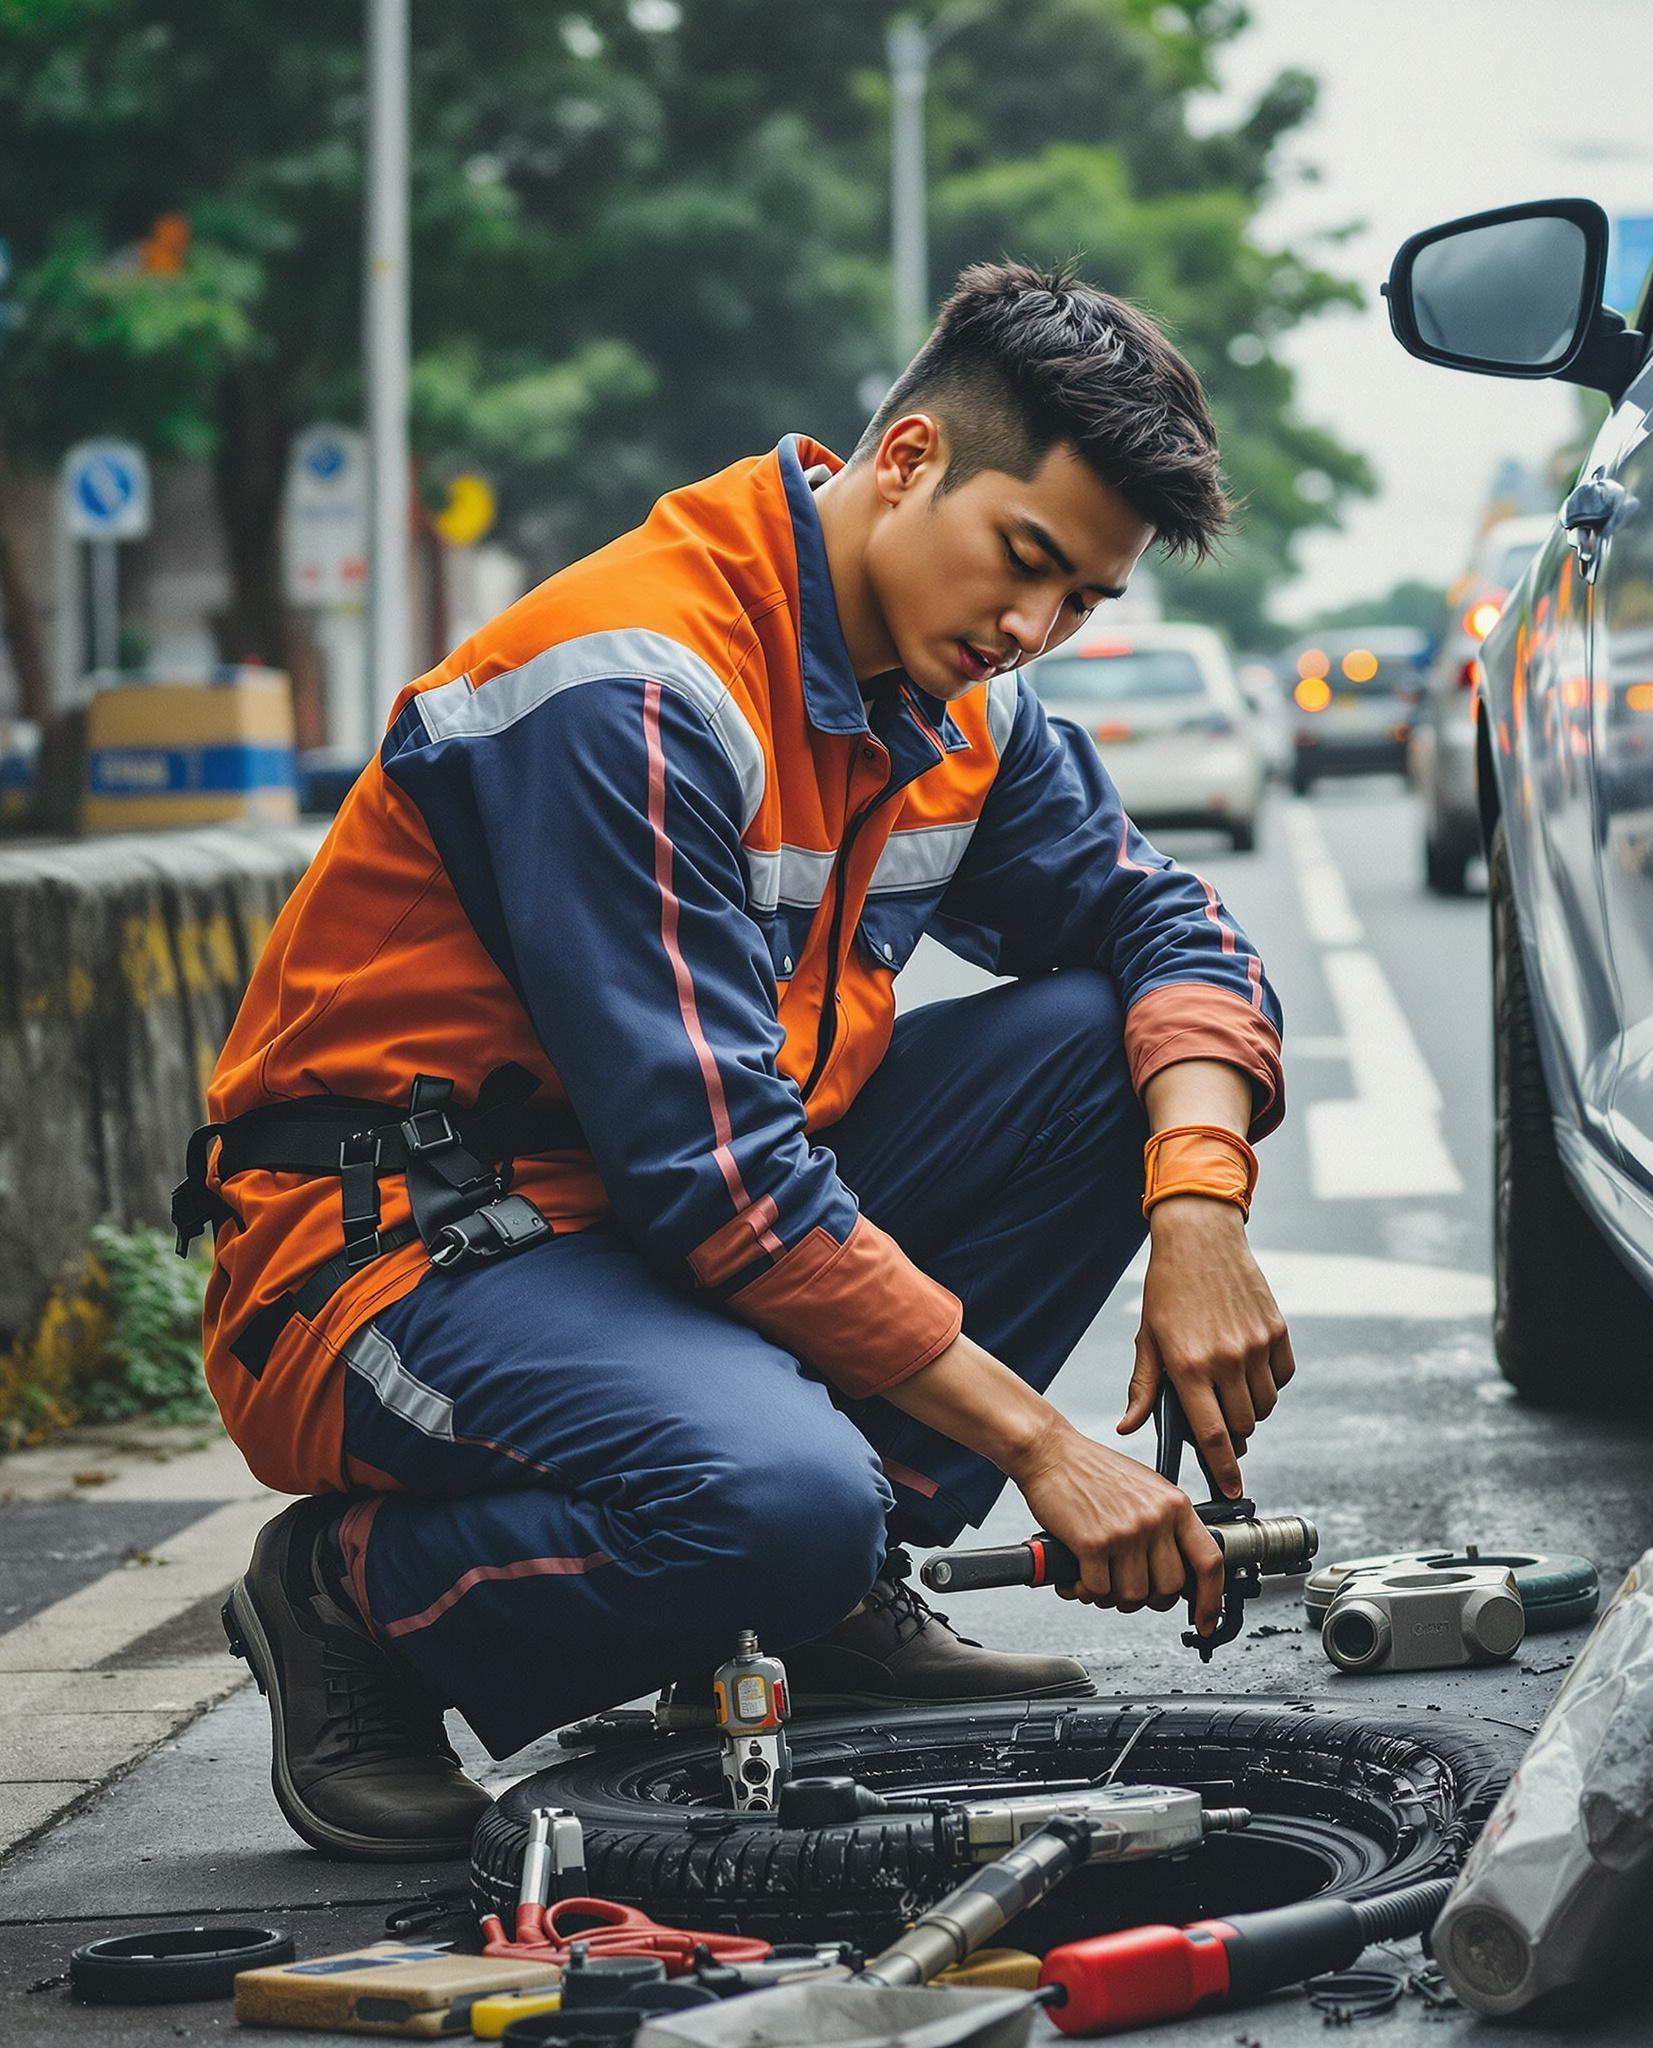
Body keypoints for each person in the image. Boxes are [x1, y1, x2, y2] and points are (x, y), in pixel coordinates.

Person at [176, 261, 1291, 1861]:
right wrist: (1046, 1450)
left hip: (648, 1219)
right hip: (394, 1256)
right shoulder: (637, 685)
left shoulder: (967, 701)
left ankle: (824, 1610)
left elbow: (1172, 929)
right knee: (778, 1499)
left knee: (1103, 1060)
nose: (1035, 627)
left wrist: (1200, 1208)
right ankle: (354, 1604)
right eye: (1028, 563)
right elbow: (718, 1183)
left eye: (1085, 602)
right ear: (904, 461)